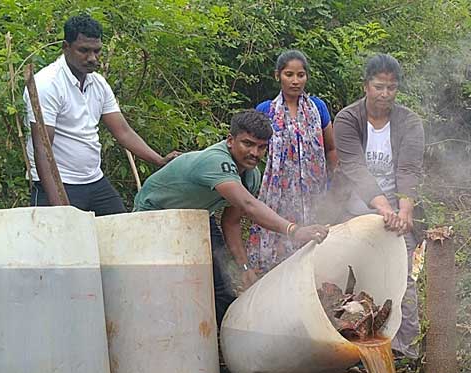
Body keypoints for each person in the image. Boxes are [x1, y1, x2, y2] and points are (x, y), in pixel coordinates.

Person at [134, 110, 330, 325]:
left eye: (261, 147)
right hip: (154, 216)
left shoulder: (250, 174)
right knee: (167, 284)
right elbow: (249, 205)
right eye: (247, 144)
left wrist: (244, 267)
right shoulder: (216, 161)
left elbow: (231, 222)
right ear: (230, 140)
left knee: (222, 289)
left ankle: (219, 342)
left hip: (197, 217)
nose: (254, 153)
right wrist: (294, 230)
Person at [24, 13, 177, 215]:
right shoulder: (46, 85)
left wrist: (159, 160)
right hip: (59, 183)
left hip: (94, 180)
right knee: (63, 243)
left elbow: (122, 131)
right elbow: (43, 150)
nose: (92, 58)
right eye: (84, 51)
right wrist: (60, 209)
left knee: (120, 233)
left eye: (97, 51)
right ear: (65, 47)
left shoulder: (97, 83)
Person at [333, 53, 425, 359]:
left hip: (395, 216)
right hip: (353, 212)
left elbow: (409, 169)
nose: (385, 94)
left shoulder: (409, 122)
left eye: (391, 87)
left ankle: (404, 351)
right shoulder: (348, 119)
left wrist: (405, 211)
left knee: (404, 279)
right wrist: (382, 206)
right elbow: (354, 167)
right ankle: (351, 351)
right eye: (378, 86)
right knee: (352, 277)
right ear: (366, 86)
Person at [247, 50, 338, 274]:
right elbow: (253, 150)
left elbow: (331, 149)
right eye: (289, 74)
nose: (295, 81)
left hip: (314, 192)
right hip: (279, 194)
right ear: (278, 75)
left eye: (301, 75)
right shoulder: (266, 110)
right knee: (278, 253)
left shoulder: (318, 108)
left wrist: (333, 187)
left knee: (313, 255)